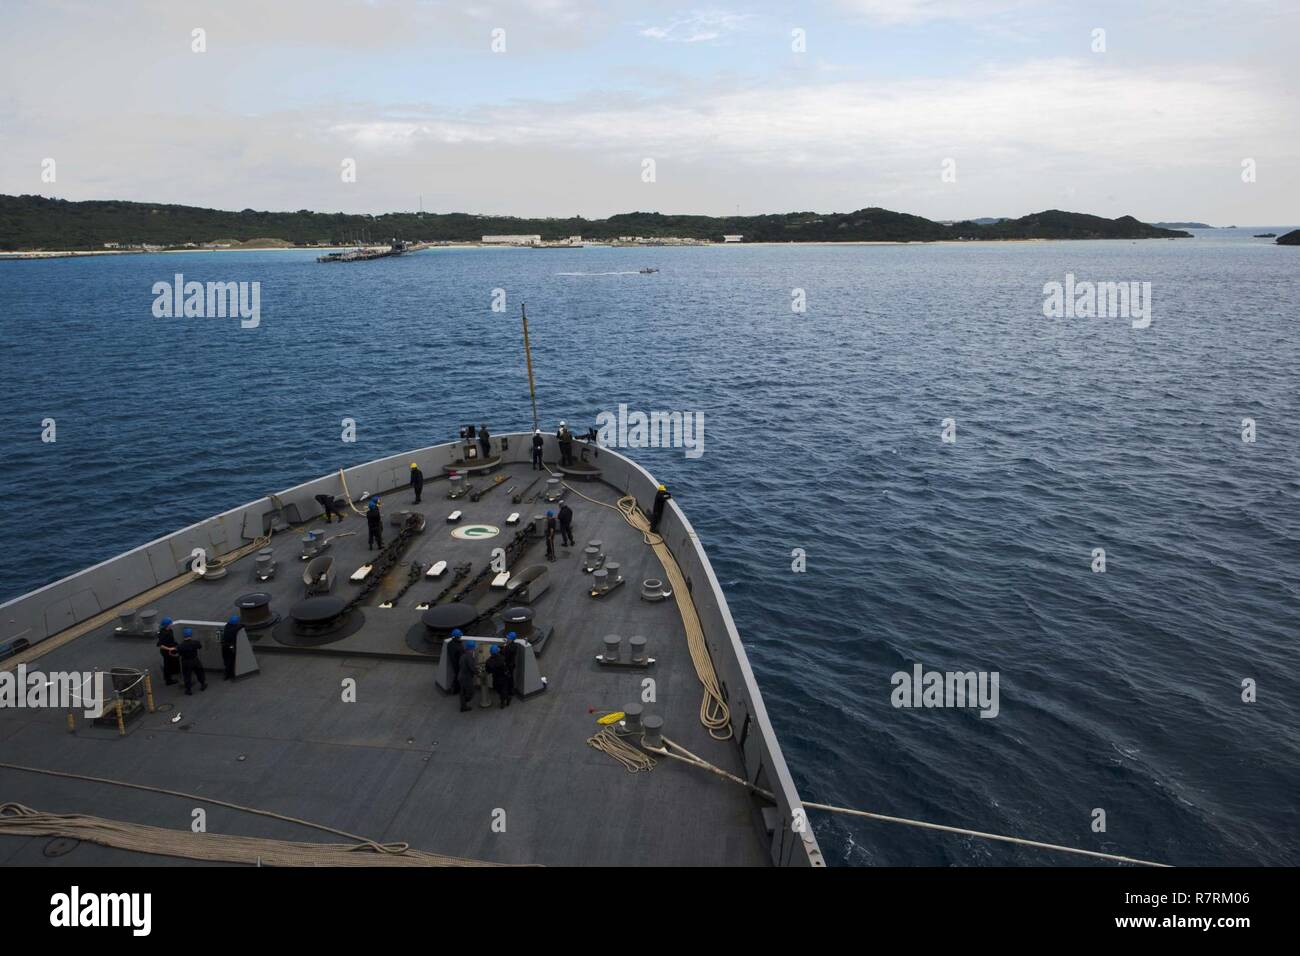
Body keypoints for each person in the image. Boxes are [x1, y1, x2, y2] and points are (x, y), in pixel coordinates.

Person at [177, 627, 207, 695]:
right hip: (195, 660)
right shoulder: (195, 643)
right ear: (191, 635)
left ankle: (188, 690)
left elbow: (178, 652)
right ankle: (203, 685)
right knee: (199, 672)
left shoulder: (180, 646)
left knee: (187, 676)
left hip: (186, 662)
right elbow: (200, 646)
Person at [156, 617, 180, 686]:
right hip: (166, 651)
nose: (172, 624)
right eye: (170, 623)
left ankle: (173, 672)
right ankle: (168, 680)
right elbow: (160, 645)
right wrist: (169, 649)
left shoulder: (169, 630)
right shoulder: (163, 634)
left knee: (171, 662)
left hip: (170, 648)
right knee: (167, 665)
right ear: (167, 625)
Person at [457, 640, 479, 712]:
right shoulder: (469, 657)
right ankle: (464, 703)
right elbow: (472, 668)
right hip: (466, 678)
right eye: (474, 648)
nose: (474, 649)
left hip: (461, 676)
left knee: (462, 692)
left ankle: (463, 706)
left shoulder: (463, 655)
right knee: (471, 692)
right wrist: (478, 673)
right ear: (471, 649)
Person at [498, 633, 518, 706]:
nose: (507, 639)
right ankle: (510, 692)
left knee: (509, 679)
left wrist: (503, 647)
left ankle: (510, 692)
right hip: (510, 665)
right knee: (510, 678)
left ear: (512, 639)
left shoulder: (511, 648)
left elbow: (505, 655)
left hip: (509, 666)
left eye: (508, 638)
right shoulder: (513, 646)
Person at [220, 614, 240, 681]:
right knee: (232, 660)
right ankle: (232, 675)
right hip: (230, 646)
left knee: (226, 661)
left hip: (224, 646)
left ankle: (226, 675)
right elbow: (241, 626)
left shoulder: (226, 626)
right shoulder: (235, 629)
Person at [446, 628, 465, 694]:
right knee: (458, 677)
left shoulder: (450, 644)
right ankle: (455, 690)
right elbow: (462, 656)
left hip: (454, 663)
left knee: (456, 675)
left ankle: (455, 688)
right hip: (458, 664)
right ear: (457, 637)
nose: (460, 637)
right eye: (460, 636)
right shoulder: (459, 647)